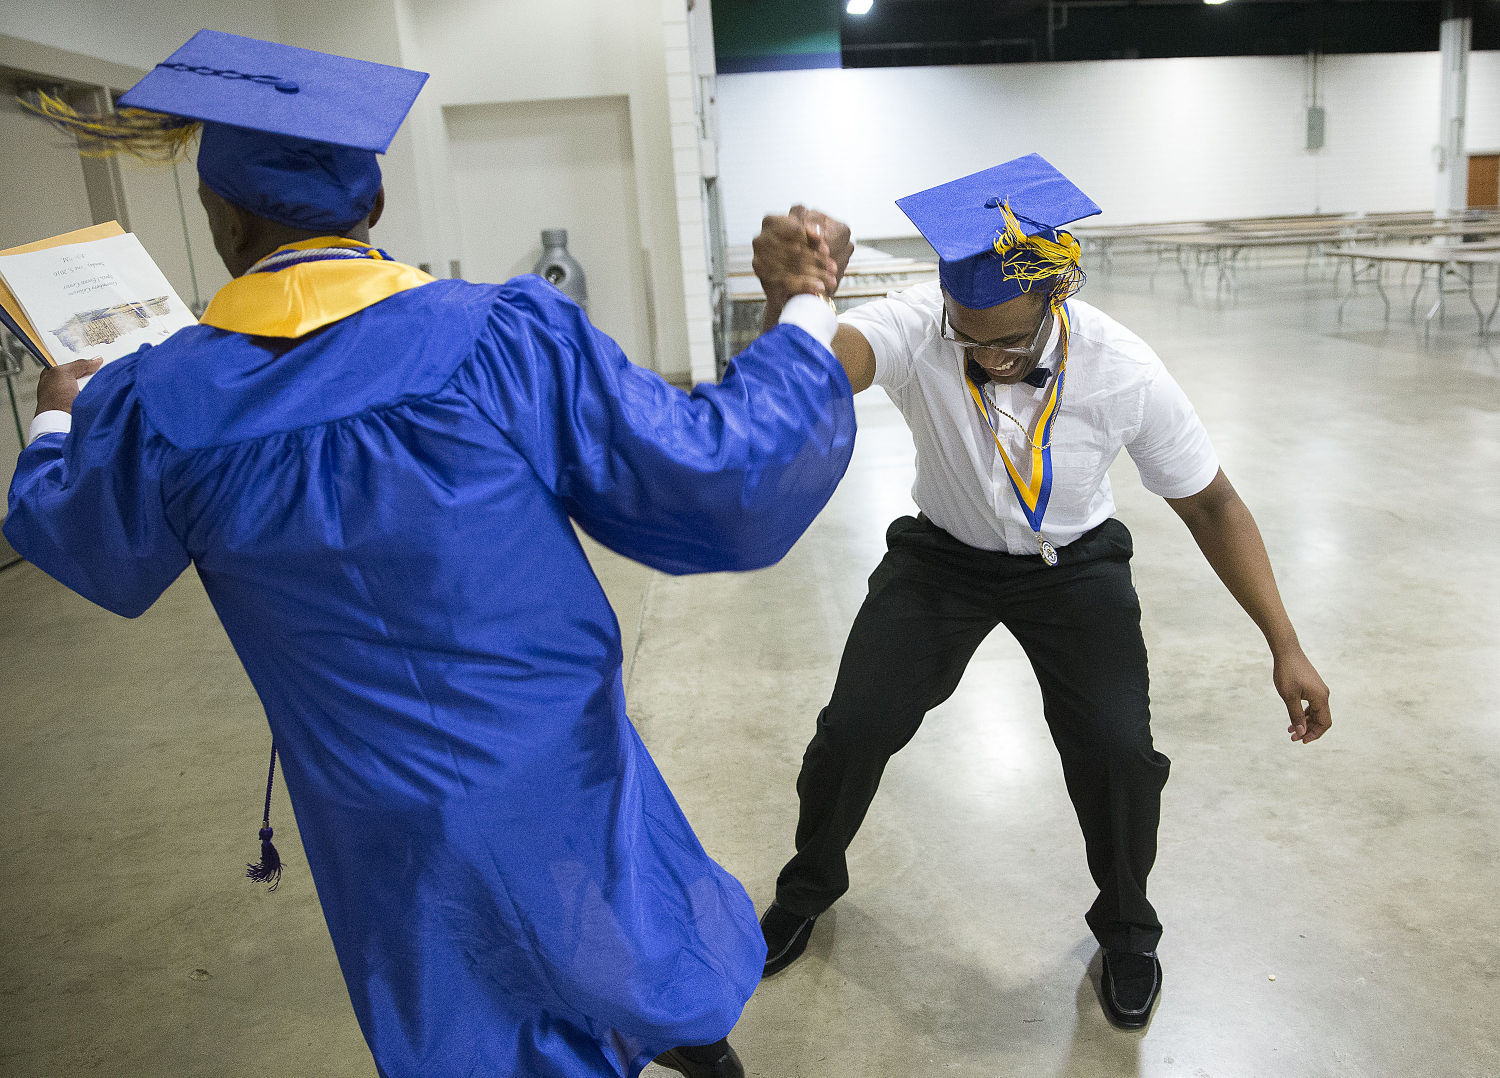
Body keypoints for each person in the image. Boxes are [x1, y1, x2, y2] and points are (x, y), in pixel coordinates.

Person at [6, 30, 856, 1078]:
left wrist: (56, 418)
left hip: (377, 811)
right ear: (370, 209)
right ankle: (683, 1042)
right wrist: (803, 304)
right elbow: (719, 481)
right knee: (613, 925)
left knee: (463, 1000)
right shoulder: (502, 336)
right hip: (561, 762)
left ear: (221, 219)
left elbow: (80, 536)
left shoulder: (159, 402)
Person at [750, 155, 1331, 1029]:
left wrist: (1285, 641)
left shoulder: (1122, 367)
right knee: (852, 727)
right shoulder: (920, 324)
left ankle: (1129, 930)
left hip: (1074, 565)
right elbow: (820, 372)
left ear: (1054, 299)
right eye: (968, 336)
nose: (985, 354)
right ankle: (807, 886)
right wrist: (791, 299)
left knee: (1118, 752)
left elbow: (1212, 503)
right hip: (940, 560)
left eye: (1008, 344)